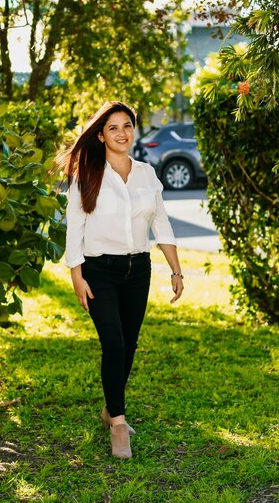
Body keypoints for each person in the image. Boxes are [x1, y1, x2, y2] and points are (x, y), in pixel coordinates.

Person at [57, 101, 184, 459]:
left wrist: (176, 270)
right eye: (113, 128)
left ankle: (111, 406)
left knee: (129, 345)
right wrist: (76, 276)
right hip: (99, 273)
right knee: (113, 344)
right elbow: (75, 231)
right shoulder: (87, 176)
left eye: (127, 125)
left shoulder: (147, 174)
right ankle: (117, 423)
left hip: (137, 271)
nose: (122, 133)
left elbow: (161, 224)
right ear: (101, 135)